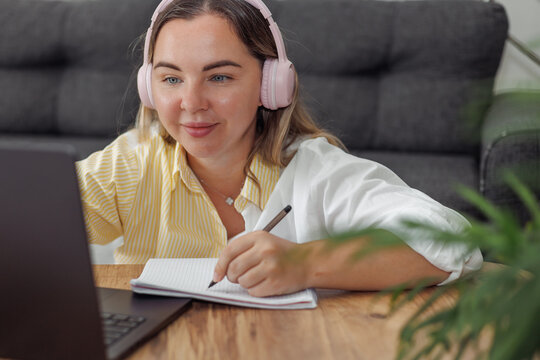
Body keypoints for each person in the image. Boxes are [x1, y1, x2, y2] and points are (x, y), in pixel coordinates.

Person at [76, 0, 483, 297]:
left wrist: (304, 263)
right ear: (150, 87)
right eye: (170, 79)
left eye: (219, 78)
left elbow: (450, 243)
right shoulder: (129, 164)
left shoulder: (317, 173)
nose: (192, 102)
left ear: (271, 85)